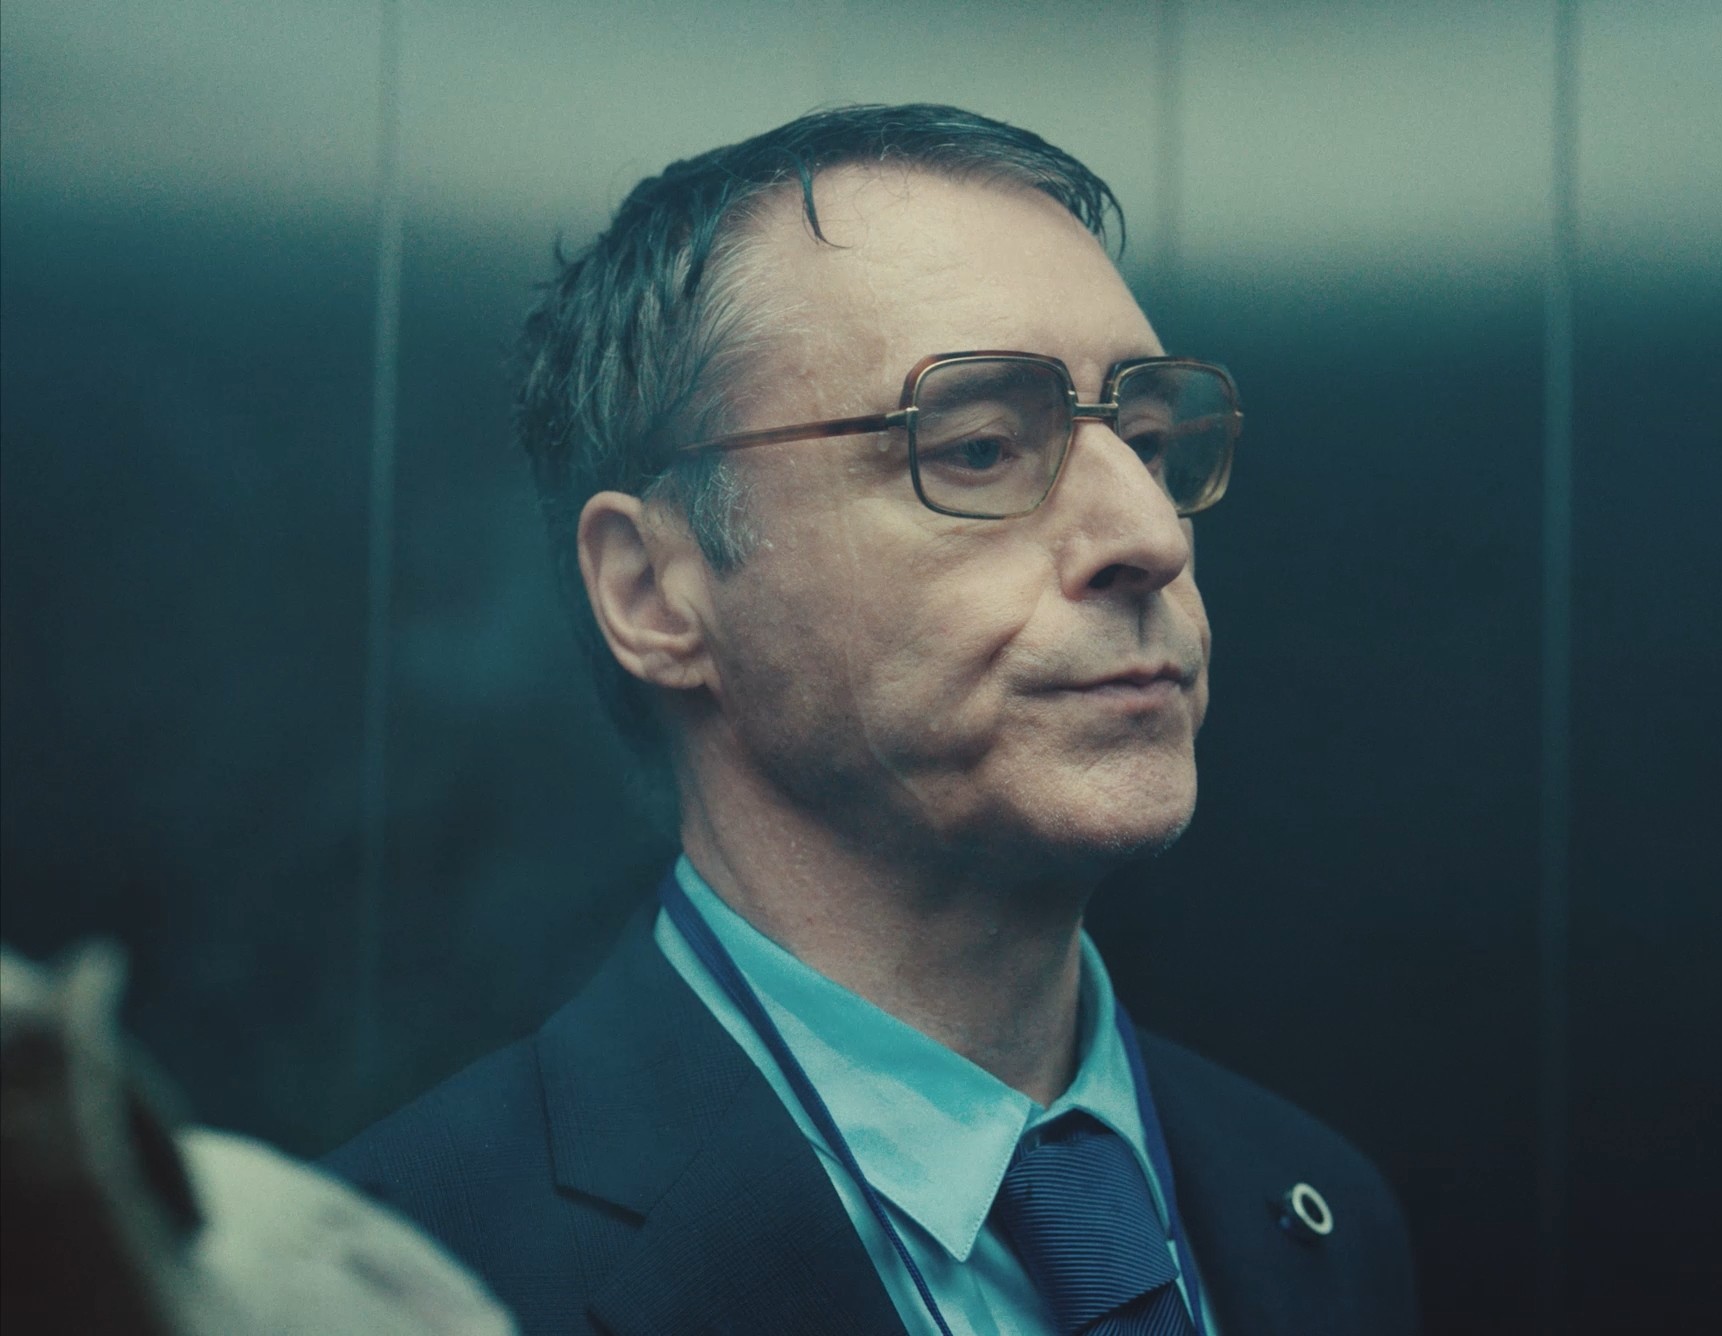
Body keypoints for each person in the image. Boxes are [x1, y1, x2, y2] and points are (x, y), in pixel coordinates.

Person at [326, 104, 1419, 1335]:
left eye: (1151, 442)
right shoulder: (400, 1283)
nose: (1151, 534)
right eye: (981, 446)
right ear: (654, 592)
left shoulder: (1313, 1209)